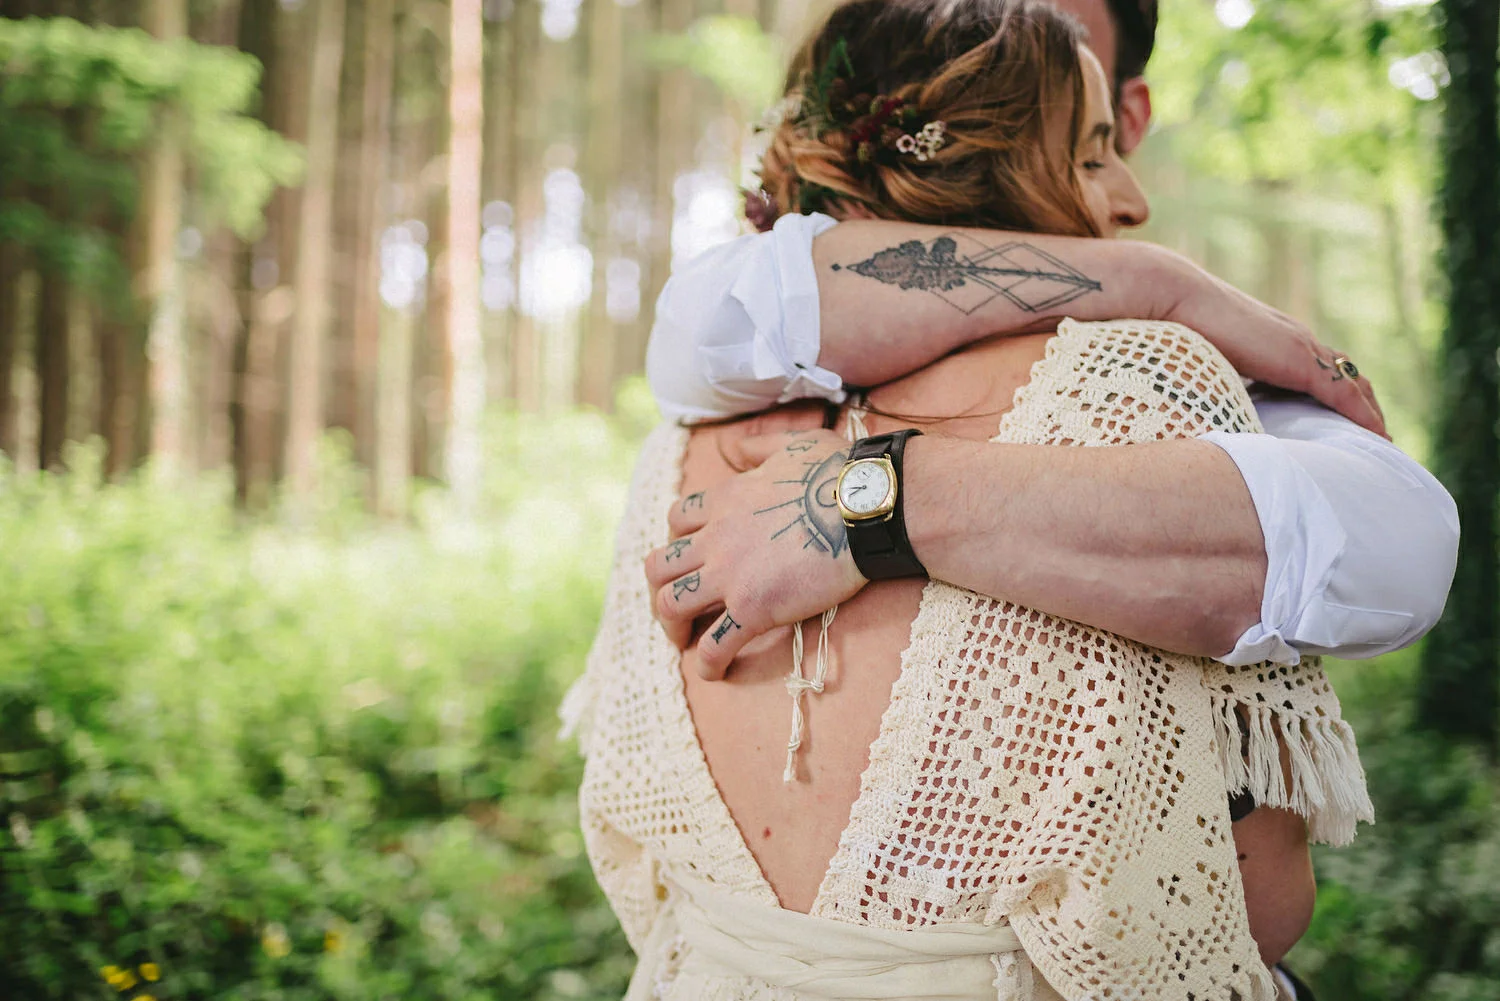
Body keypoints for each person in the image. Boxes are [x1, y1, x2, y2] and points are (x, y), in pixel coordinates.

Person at [566, 2, 1434, 998]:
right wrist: (1158, 290)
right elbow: (1259, 898)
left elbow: (640, 856)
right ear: (1007, 163)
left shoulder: (679, 445)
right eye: (1092, 153)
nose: (1131, 199)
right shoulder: (1136, 390)